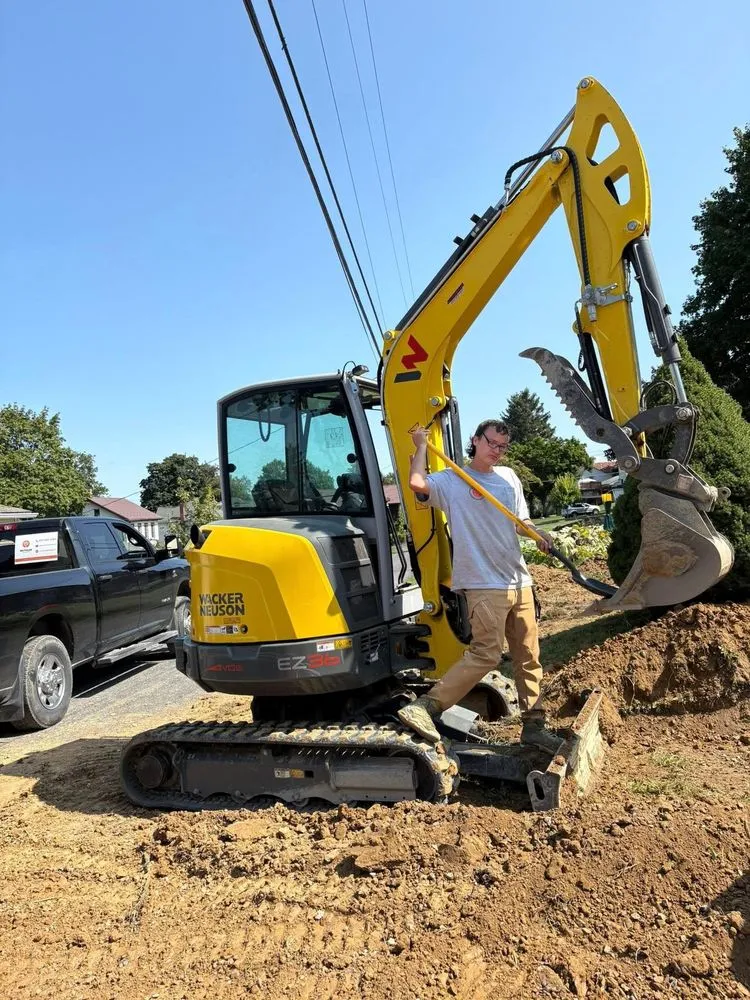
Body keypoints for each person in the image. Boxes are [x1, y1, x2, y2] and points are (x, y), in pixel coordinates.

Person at [397, 419, 563, 754]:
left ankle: (534, 727)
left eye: (503, 446)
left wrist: (538, 534)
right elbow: (416, 483)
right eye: (492, 443)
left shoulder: (509, 477)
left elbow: (521, 522)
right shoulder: (452, 480)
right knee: (486, 654)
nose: (497, 451)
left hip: (518, 579)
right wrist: (420, 446)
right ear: (475, 440)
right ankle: (425, 706)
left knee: (528, 656)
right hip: (483, 584)